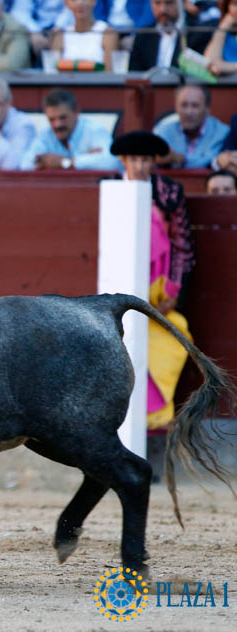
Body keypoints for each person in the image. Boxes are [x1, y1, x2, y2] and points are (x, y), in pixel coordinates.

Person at [111, 130, 195, 447]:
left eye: (146, 160)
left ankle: (152, 423)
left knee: (175, 335)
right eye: (134, 159)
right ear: (123, 160)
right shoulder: (110, 189)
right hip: (118, 289)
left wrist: (174, 294)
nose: (140, 166)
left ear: (154, 161)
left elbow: (181, 246)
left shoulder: (169, 193)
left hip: (159, 293)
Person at [21, 88, 120, 170]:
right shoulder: (46, 135)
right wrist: (84, 157)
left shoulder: (94, 130)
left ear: (77, 111)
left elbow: (112, 161)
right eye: (51, 119)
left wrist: (65, 162)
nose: (57, 125)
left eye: (62, 118)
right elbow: (25, 165)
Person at [154, 84, 229, 169]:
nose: (188, 112)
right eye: (184, 105)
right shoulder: (163, 131)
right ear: (176, 107)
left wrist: (177, 158)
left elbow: (208, 161)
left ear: (207, 109)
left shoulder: (221, 133)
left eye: (195, 105)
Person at [129, 0, 210, 71]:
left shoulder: (198, 33)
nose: (163, 9)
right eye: (157, 3)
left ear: (183, 3)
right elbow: (134, 73)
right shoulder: (143, 35)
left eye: (169, 2)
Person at [49, 0, 117, 70]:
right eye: (74, 0)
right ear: (67, 4)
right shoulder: (60, 35)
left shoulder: (107, 33)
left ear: (94, 1)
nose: (80, 3)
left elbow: (109, 72)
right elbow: (53, 72)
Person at [204, 0, 237, 76]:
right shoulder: (223, 32)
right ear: (227, 7)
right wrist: (223, 27)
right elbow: (210, 63)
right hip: (227, 86)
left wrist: (225, 67)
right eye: (235, 4)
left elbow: (217, 67)